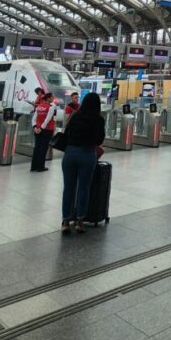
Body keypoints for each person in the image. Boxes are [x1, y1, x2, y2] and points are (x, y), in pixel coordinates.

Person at [60, 91, 104, 234]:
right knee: (84, 188)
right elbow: (100, 140)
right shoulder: (98, 119)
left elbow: (66, 133)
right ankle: (79, 222)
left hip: (70, 153)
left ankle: (66, 221)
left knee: (68, 188)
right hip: (87, 154)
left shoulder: (75, 116)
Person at [31, 91, 56, 172]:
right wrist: (41, 128)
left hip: (37, 130)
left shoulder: (39, 107)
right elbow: (47, 120)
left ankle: (33, 166)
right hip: (47, 130)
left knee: (37, 148)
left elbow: (34, 119)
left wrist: (35, 127)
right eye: (52, 97)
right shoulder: (51, 107)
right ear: (48, 98)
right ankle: (40, 167)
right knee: (43, 148)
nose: (53, 98)